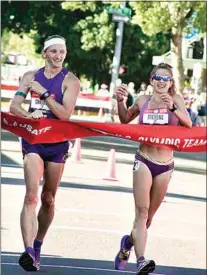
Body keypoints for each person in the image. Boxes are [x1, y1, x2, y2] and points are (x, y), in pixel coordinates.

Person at [10, 34, 80, 271]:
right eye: (53, 52)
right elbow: (14, 106)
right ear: (44, 53)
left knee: (48, 199)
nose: (58, 56)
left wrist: (44, 94)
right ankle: (28, 250)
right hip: (34, 141)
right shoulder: (30, 77)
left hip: (58, 143)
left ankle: (38, 243)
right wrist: (29, 116)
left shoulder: (71, 81)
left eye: (62, 52)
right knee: (31, 195)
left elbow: (64, 114)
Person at [114, 63, 192, 274]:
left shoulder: (176, 100)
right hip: (144, 159)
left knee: (148, 219)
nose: (161, 81)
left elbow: (189, 125)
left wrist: (173, 109)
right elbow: (124, 119)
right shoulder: (142, 101)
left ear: (171, 82)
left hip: (165, 165)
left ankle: (127, 244)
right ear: (151, 80)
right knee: (141, 211)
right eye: (157, 77)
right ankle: (141, 260)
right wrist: (120, 101)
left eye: (165, 78)